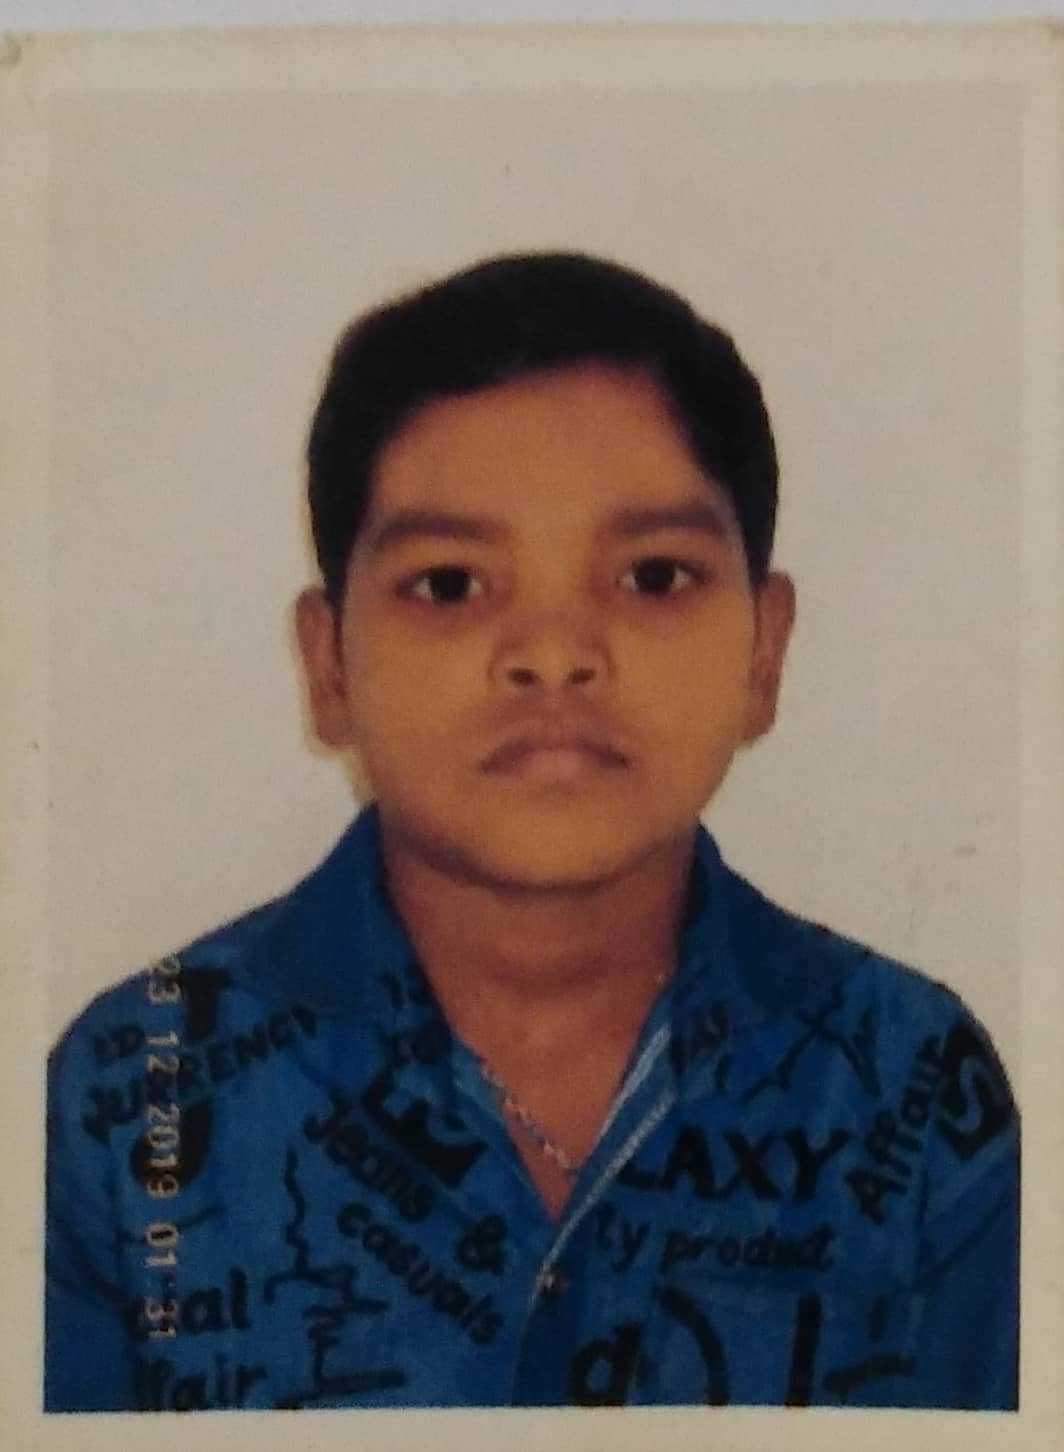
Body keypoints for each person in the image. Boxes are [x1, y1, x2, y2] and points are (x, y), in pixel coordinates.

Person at [45, 252, 1019, 1413]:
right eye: (450, 585)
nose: (553, 654)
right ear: (327, 665)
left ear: (763, 652)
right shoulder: (132, 1092)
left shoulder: (912, 1085)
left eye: (650, 576)